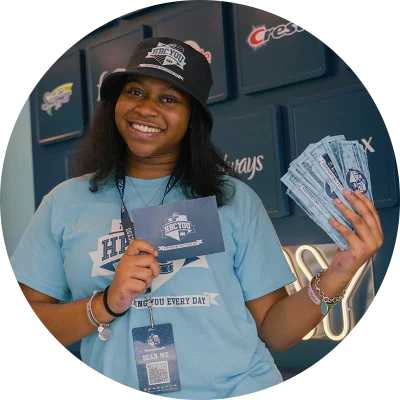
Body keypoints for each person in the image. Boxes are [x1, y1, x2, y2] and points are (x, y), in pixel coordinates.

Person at [9, 37, 384, 399]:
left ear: (193, 118)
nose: (146, 109)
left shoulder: (232, 199)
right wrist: (106, 304)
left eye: (168, 98)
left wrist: (340, 271)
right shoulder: (65, 202)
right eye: (135, 92)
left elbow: (275, 333)